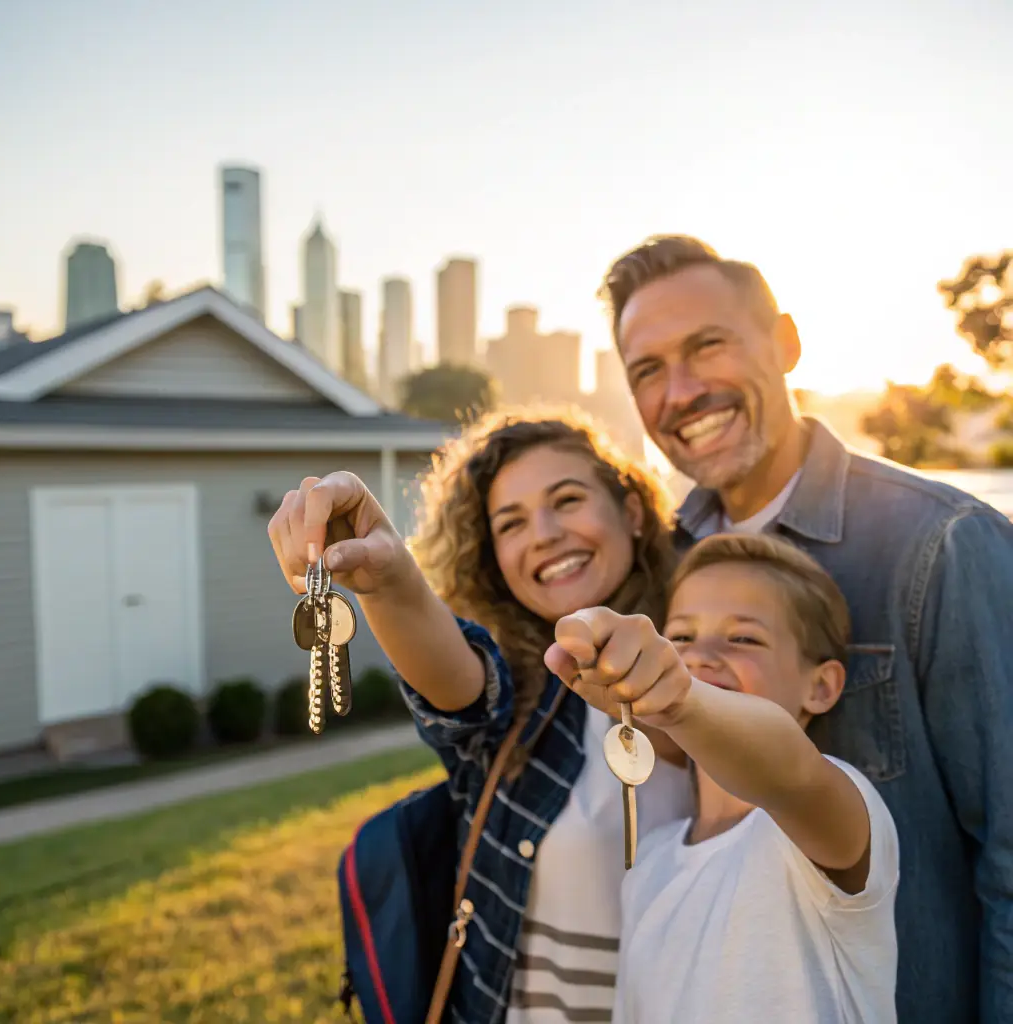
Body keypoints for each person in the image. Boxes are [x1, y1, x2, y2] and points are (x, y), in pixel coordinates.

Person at [597, 233, 1013, 1023]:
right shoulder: (658, 562)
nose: (680, 392)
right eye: (647, 370)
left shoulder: (943, 543)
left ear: (786, 343)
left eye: (706, 346)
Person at [267, 408, 693, 1024]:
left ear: (630, 511)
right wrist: (387, 580)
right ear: (494, 558)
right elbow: (458, 682)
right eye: (511, 524)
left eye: (567, 500)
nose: (543, 534)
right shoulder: (520, 691)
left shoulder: (716, 656)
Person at [545, 531, 901, 1024]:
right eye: (682, 637)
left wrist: (677, 699)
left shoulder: (829, 816)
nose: (701, 655)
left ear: (821, 686)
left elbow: (788, 768)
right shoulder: (649, 863)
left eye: (743, 638)